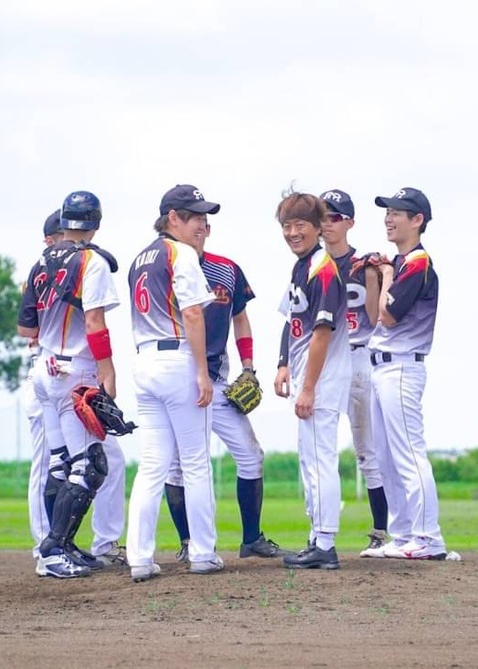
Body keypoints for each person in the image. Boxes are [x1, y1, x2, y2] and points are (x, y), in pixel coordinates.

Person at [162, 217, 286, 563]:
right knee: (177, 466)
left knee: (251, 456)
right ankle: (189, 542)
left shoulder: (227, 270)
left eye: (205, 223)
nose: (200, 228)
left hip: (216, 381)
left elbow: (240, 318)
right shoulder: (165, 268)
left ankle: (251, 539)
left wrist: (248, 366)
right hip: (178, 382)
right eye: (194, 221)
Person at [17, 191, 124, 579]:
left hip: (43, 369)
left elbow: (25, 328)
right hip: (74, 371)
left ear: (63, 221)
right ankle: (53, 550)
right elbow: (95, 323)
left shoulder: (40, 262)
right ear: (96, 222)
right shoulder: (90, 262)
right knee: (90, 466)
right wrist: (107, 371)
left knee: (61, 466)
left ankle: (58, 547)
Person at [125, 184, 223, 583]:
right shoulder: (180, 253)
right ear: (172, 219)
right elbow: (194, 315)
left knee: (152, 466)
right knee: (196, 462)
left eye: (203, 216)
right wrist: (202, 371)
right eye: (194, 216)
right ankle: (202, 552)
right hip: (176, 357)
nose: (202, 223)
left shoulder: (138, 258)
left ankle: (140, 558)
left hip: (145, 359)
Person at [363, 187, 448, 560]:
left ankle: (428, 538)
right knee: (385, 456)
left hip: (401, 365)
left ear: (418, 220)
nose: (389, 217)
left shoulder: (416, 262)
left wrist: (383, 271)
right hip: (382, 365)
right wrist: (375, 275)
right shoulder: (399, 264)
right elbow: (371, 317)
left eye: (399, 212)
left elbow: (388, 316)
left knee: (409, 454)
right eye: (387, 211)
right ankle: (402, 535)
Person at [274, 190, 349, 570]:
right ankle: (317, 536)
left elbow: (322, 332)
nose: (292, 232)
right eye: (286, 225)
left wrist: (308, 387)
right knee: (310, 459)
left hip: (323, 376)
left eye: (300, 224)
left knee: (320, 458)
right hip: (308, 372)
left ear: (318, 227)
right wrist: (284, 363)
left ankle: (325, 543)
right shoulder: (301, 267)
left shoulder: (323, 267)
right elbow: (294, 321)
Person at [319, 188, 391, 557]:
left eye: (333, 217)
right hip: (324, 358)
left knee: (368, 451)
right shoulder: (312, 265)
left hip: (360, 357)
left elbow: (379, 317)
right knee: (319, 449)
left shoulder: (364, 264)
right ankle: (319, 535)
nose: (326, 224)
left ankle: (381, 531)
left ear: (348, 221)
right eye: (322, 217)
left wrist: (378, 275)